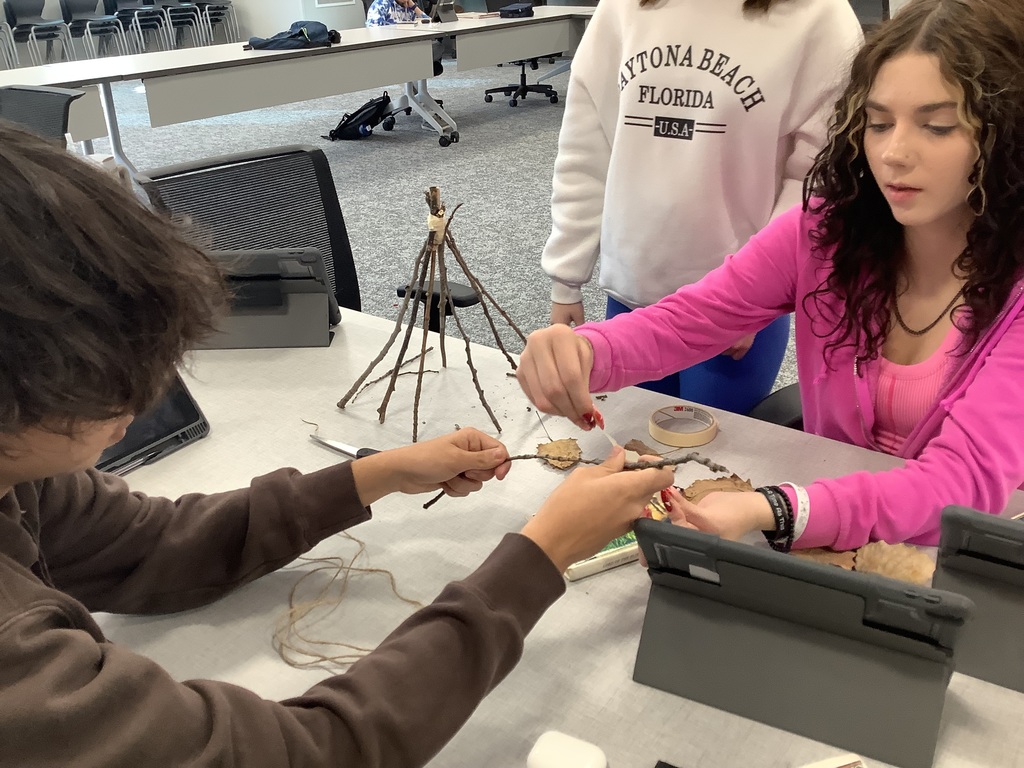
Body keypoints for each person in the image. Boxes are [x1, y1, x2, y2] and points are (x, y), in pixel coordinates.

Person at [0, 123, 673, 766]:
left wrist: (378, 474)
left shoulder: (22, 476)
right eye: (110, 378)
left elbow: (151, 546)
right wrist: (542, 554)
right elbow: (307, 754)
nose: (148, 398)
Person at [517, 0, 1024, 551]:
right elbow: (694, 319)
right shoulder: (827, 233)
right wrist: (585, 353)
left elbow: (960, 485)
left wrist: (774, 508)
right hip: (836, 541)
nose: (894, 153)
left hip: (962, 556)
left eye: (938, 127)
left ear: (1007, 135)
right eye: (878, 124)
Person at [541, 0, 864, 414]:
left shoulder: (819, 16)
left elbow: (815, 180)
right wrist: (566, 277)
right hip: (633, 295)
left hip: (734, 310)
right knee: (629, 446)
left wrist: (753, 300)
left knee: (716, 451)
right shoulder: (623, 8)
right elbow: (586, 149)